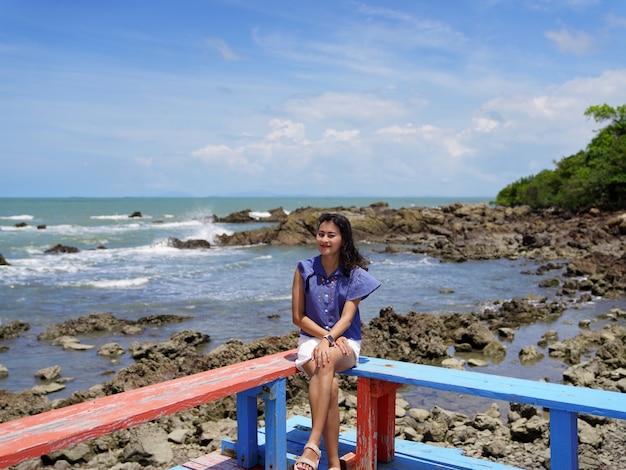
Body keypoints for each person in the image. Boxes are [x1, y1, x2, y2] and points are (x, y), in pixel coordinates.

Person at [292, 212, 381, 470]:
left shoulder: (355, 274)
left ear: (343, 239)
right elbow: (298, 317)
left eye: (331, 235)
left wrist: (332, 338)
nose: (325, 239)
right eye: (321, 234)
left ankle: (312, 445)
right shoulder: (304, 269)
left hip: (346, 343)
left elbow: (347, 317)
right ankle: (333, 464)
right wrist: (325, 337)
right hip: (311, 340)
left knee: (327, 359)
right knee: (328, 385)